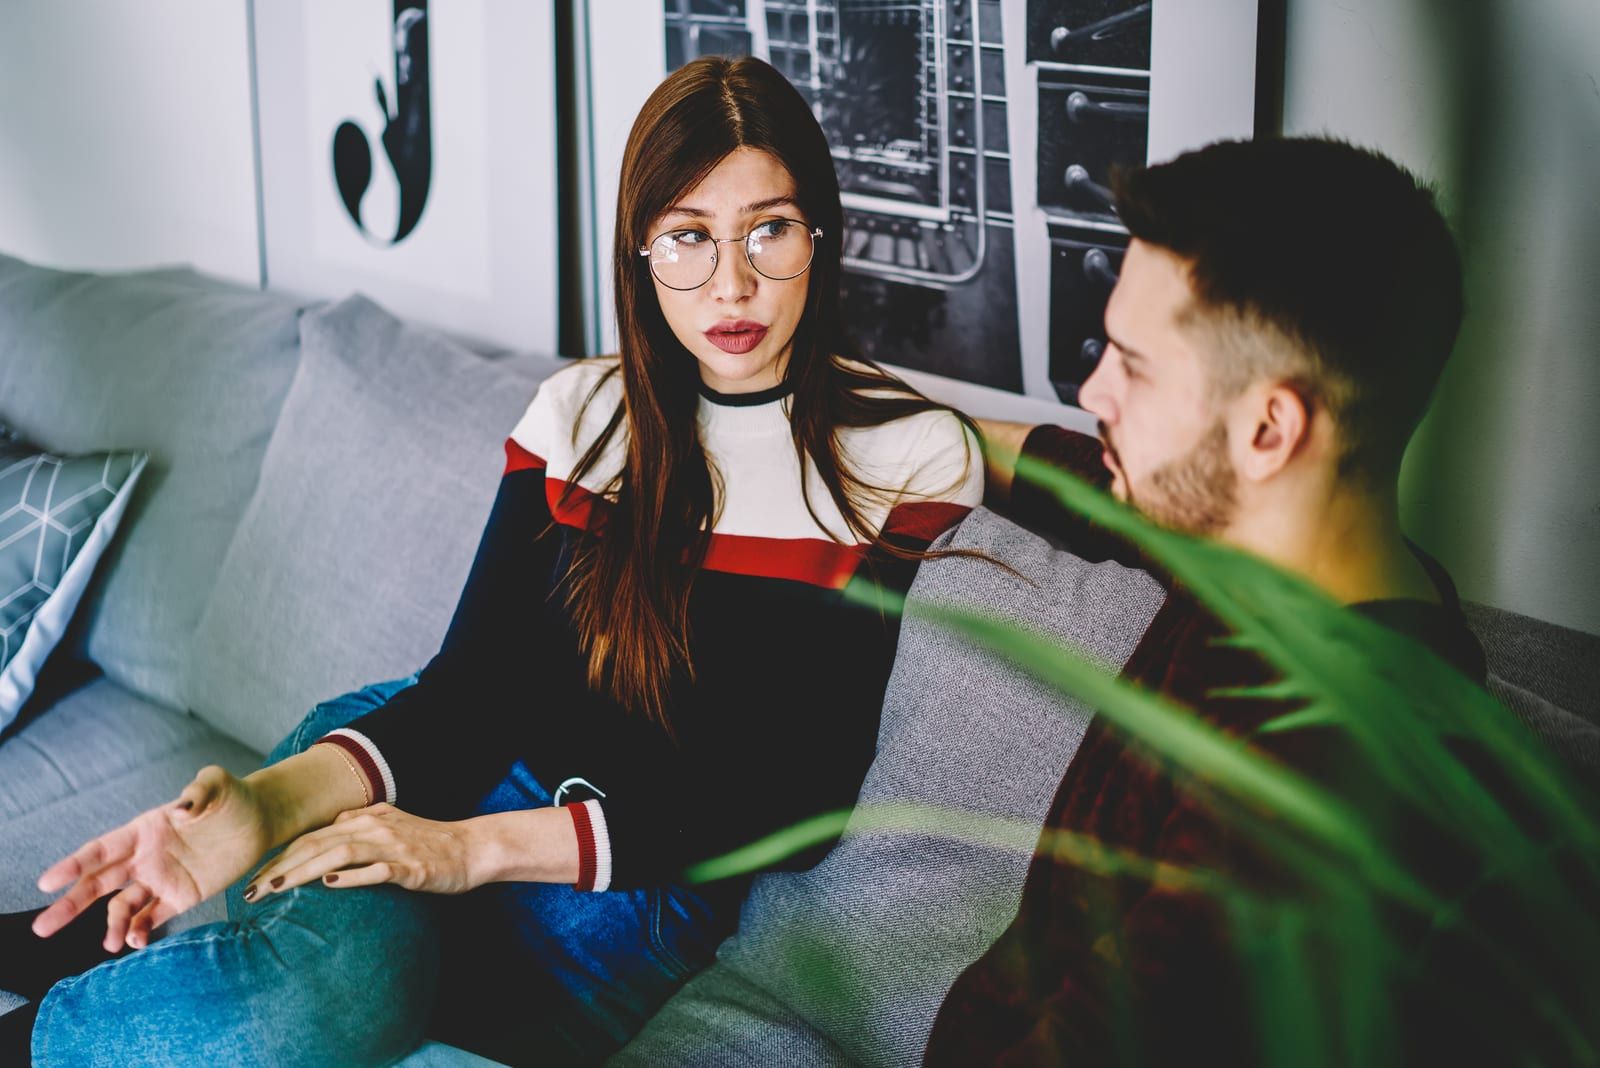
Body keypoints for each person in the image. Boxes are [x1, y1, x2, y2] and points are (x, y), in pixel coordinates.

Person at [0, 55, 982, 1066]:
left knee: (337, 1017)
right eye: (688, 236)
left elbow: (794, 796)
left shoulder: (903, 457)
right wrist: (266, 803)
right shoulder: (580, 417)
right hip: (425, 784)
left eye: (768, 230)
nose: (731, 283)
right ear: (642, 251)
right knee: (331, 1005)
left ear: (819, 235)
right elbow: (469, 693)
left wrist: (468, 855)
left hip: (618, 913)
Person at [921, 137, 1523, 1064]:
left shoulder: (1301, 821)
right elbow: (1084, 482)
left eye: (1134, 364)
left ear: (1269, 430)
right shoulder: (1298, 557)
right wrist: (896, 431)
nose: (1094, 392)